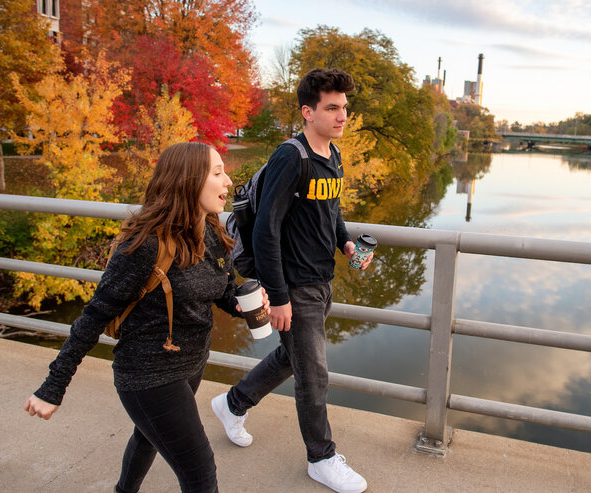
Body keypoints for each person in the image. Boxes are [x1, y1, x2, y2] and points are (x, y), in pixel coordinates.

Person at [24, 142, 269, 493]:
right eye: (217, 173)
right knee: (200, 473)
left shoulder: (214, 232)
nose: (228, 181)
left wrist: (247, 304)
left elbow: (223, 292)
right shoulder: (144, 244)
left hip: (191, 363)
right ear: (187, 181)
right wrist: (53, 386)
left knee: (148, 438)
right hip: (147, 375)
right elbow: (94, 316)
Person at [210, 68, 372, 493]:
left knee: (292, 357)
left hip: (321, 278)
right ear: (308, 111)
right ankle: (321, 458)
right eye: (332, 108)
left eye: (345, 109)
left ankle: (232, 404)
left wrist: (347, 244)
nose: (342, 117)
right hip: (293, 284)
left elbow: (331, 208)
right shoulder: (291, 157)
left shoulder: (332, 155)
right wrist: (278, 297)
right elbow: (266, 229)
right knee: (313, 374)